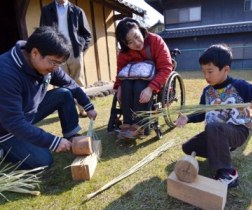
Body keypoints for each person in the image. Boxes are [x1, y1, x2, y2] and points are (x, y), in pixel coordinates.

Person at [175, 44, 252, 188]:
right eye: (203, 71)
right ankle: (222, 150)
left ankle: (228, 173)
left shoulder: (240, 86)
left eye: (210, 71)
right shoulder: (207, 91)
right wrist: (187, 118)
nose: (206, 76)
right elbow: (201, 114)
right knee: (188, 147)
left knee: (214, 128)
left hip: (238, 131)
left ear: (225, 69)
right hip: (215, 132)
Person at [0, 26, 97, 170]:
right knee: (43, 160)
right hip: (6, 128)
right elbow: (13, 122)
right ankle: (4, 150)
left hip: (26, 114)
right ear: (35, 53)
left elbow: (69, 83)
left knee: (64, 93)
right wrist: (53, 141)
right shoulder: (6, 73)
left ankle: (71, 136)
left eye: (59, 63)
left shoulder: (48, 64)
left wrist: (87, 105)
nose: (56, 68)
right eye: (53, 62)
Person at [113, 17, 173, 139]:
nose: (136, 43)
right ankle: (127, 121)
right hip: (132, 81)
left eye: (136, 36)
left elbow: (166, 67)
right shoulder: (124, 53)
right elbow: (121, 71)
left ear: (140, 30)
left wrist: (150, 88)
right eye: (130, 42)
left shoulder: (155, 41)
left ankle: (138, 124)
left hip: (154, 80)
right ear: (124, 44)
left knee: (140, 84)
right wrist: (118, 87)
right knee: (126, 85)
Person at [40, 0, 92, 118]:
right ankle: (69, 112)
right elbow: (43, 32)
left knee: (78, 81)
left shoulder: (77, 11)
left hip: (75, 51)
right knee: (63, 83)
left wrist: (81, 48)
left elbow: (87, 34)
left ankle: (83, 109)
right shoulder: (47, 10)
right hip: (57, 52)